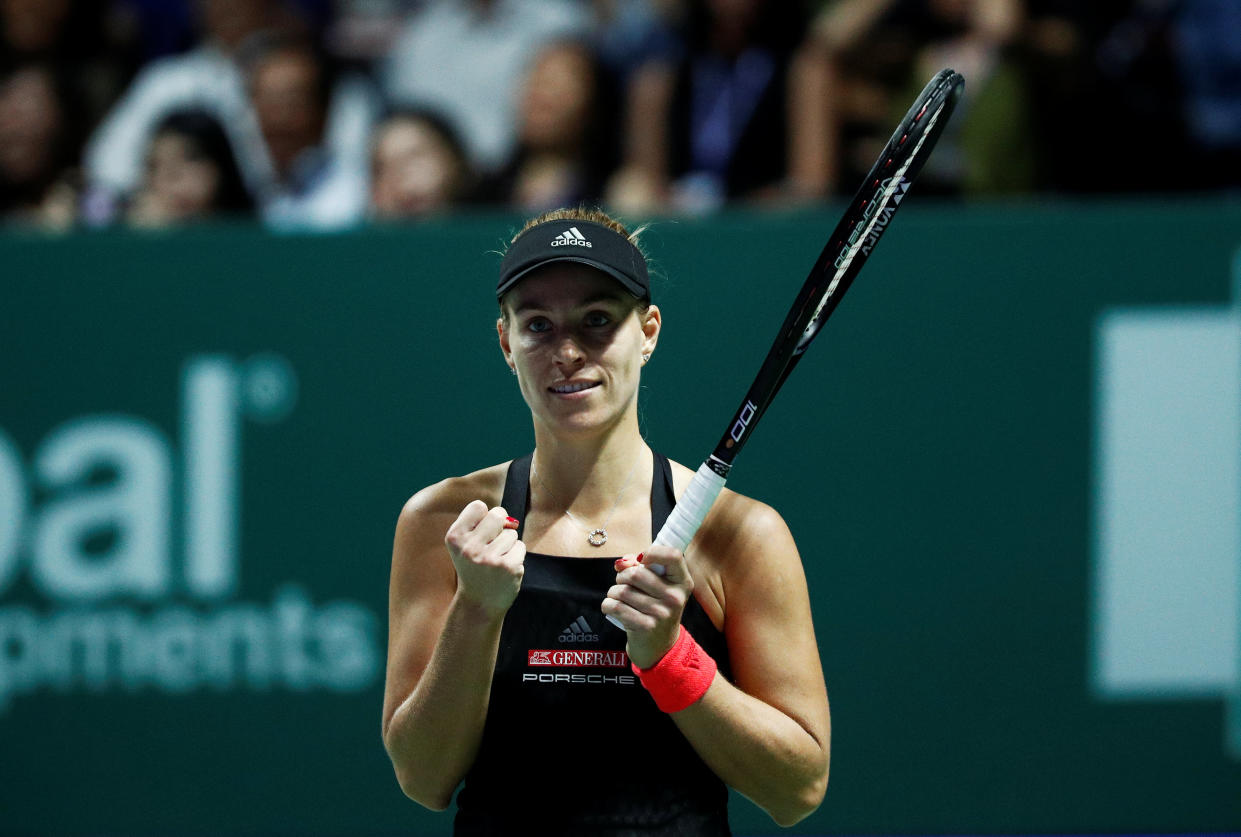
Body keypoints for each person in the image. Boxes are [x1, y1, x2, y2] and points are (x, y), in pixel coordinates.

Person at [381, 206, 831, 835]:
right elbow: (422, 779)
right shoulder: (442, 522)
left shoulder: (741, 535)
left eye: (597, 320)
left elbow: (799, 787)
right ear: (507, 343)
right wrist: (476, 611)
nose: (567, 351)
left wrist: (670, 658)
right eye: (538, 325)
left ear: (647, 331)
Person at [126, 108, 254, 227]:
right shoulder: (133, 230)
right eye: (155, 165)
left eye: (189, 158)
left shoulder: (261, 229)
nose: (170, 175)